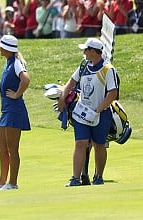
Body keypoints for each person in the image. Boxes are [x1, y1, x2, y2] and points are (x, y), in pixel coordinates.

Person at [57, 38, 118, 186]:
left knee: (99, 145)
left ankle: (99, 176)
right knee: (80, 142)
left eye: (86, 50)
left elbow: (112, 93)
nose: (84, 52)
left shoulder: (108, 69)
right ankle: (75, 178)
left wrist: (98, 110)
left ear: (93, 51)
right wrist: (62, 97)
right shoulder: (84, 66)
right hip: (82, 112)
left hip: (101, 113)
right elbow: (71, 82)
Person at [0, 35, 30, 191]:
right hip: (6, 110)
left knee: (12, 148)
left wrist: (17, 94)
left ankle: (12, 183)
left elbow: (26, 80)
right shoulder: (9, 63)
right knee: (1, 147)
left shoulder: (17, 63)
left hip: (14, 110)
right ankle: (2, 182)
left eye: (1, 46)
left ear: (7, 49)